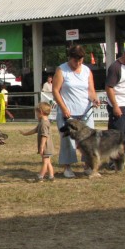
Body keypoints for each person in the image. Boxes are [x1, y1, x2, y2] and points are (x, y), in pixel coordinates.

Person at [51, 44, 100, 178]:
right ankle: (68, 167)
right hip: (68, 113)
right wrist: (64, 108)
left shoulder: (87, 71)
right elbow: (55, 90)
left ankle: (88, 165)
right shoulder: (62, 70)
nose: (78, 63)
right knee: (68, 140)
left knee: (89, 140)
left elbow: (90, 90)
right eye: (75, 60)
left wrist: (95, 99)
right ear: (70, 58)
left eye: (80, 60)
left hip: (85, 112)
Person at [20, 101, 55, 182]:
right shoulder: (42, 122)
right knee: (48, 161)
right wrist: (25, 134)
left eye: (36, 112)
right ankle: (51, 176)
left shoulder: (44, 123)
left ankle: (40, 177)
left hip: (46, 147)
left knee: (45, 162)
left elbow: (44, 135)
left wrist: (41, 147)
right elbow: (35, 130)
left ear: (41, 112)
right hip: (47, 147)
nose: (36, 114)